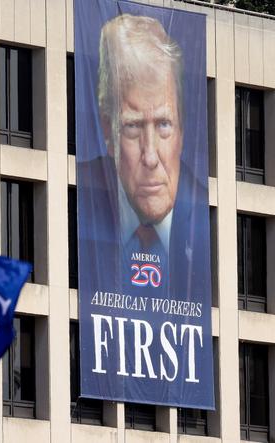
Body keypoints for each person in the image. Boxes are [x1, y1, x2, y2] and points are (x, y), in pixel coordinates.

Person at [77, 13, 209, 297]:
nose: (150, 157)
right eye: (133, 126)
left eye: (163, 124)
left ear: (182, 129)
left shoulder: (208, 217)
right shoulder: (78, 197)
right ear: (108, 130)